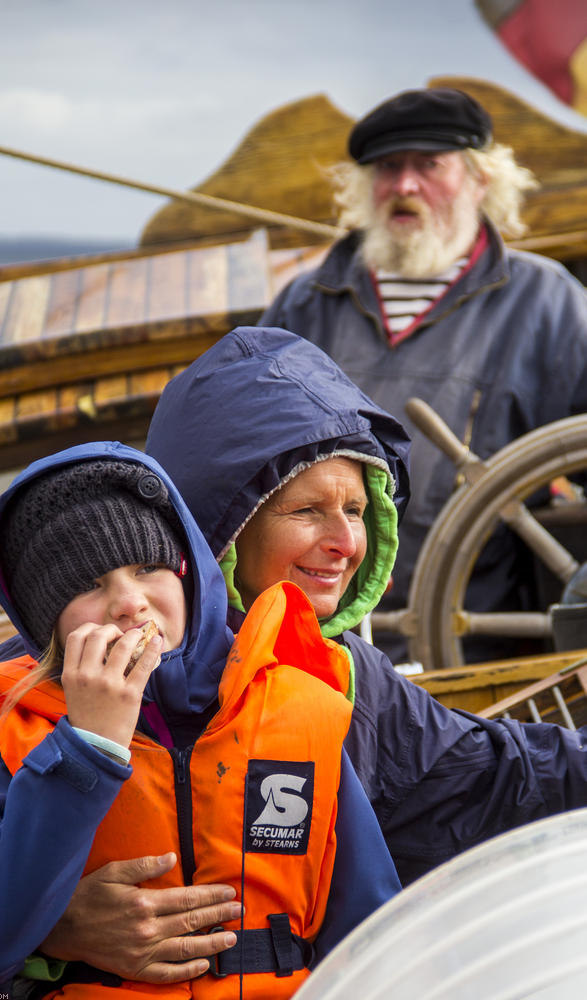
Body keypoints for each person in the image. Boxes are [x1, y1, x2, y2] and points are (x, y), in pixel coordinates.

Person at [0, 327, 587, 989]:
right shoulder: (15, 703)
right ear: (222, 527)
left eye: (357, 510)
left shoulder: (337, 682)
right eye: (306, 511)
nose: (344, 542)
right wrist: (53, 931)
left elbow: (493, 783)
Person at [0, 441, 401, 995]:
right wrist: (86, 748)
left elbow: (373, 929)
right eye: (87, 584)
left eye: (148, 567)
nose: (129, 602)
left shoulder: (302, 710)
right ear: (45, 626)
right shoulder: (5, 745)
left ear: (188, 574)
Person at [259, 86, 587, 663]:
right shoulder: (307, 303)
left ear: (482, 180)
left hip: (477, 642)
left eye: (429, 165)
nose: (405, 185)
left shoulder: (549, 304)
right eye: (389, 168)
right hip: (312, 645)